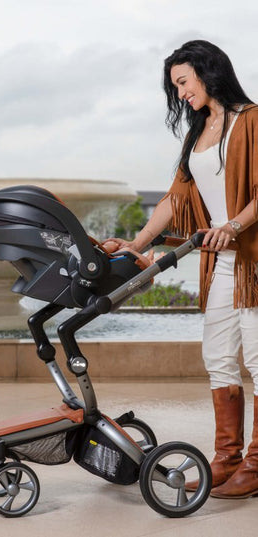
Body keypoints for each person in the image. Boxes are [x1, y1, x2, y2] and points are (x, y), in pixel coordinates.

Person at [104, 39, 258, 499]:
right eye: (175, 87)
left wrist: (233, 225)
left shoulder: (251, 121)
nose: (181, 93)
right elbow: (175, 199)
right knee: (218, 360)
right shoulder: (198, 133)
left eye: (183, 82)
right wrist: (137, 243)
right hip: (218, 263)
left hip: (252, 261)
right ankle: (227, 459)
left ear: (209, 73)